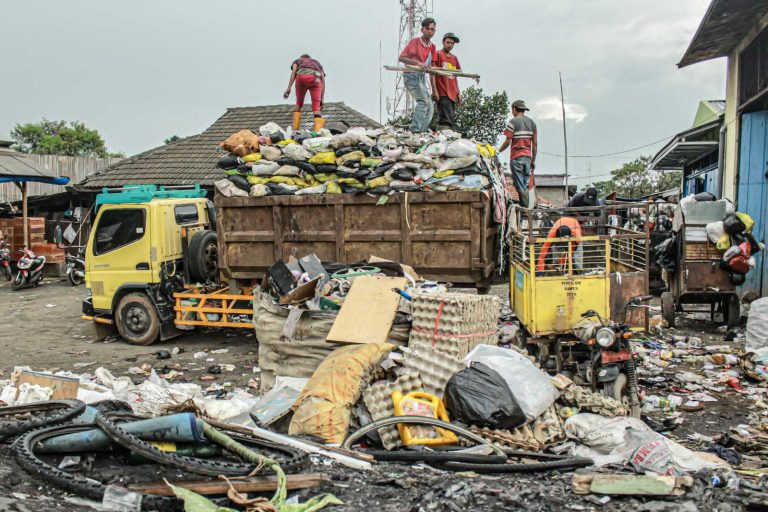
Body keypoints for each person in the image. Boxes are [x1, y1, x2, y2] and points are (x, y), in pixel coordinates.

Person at [398, 18, 438, 133]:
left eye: (433, 30)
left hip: (421, 78)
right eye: (428, 29)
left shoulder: (432, 47)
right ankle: (415, 130)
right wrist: (417, 63)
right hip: (411, 75)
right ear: (423, 29)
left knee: (430, 107)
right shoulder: (415, 42)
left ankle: (423, 131)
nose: (431, 32)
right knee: (423, 102)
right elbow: (401, 58)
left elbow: (431, 68)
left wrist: (433, 72)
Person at [497, 100, 538, 208]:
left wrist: (498, 151)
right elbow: (535, 144)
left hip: (517, 157)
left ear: (514, 109)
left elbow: (508, 141)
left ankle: (524, 208)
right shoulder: (532, 123)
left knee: (520, 185)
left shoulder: (513, 122)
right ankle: (525, 206)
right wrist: (533, 160)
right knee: (524, 184)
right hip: (528, 158)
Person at [283, 54, 326, 132]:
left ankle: (295, 130)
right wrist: (322, 99)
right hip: (316, 79)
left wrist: (288, 88)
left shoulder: (298, 61)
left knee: (299, 103)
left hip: (302, 77)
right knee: (316, 108)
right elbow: (322, 80)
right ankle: (317, 132)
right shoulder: (317, 63)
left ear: (302, 58)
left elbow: (294, 73)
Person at [432, 32, 462, 131]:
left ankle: (449, 134)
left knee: (451, 116)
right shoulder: (437, 54)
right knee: (445, 118)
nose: (450, 45)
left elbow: (455, 77)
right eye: (448, 42)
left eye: (452, 43)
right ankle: (444, 133)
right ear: (443, 42)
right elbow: (432, 73)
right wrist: (434, 90)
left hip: (452, 92)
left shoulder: (454, 58)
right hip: (442, 90)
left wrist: (458, 93)